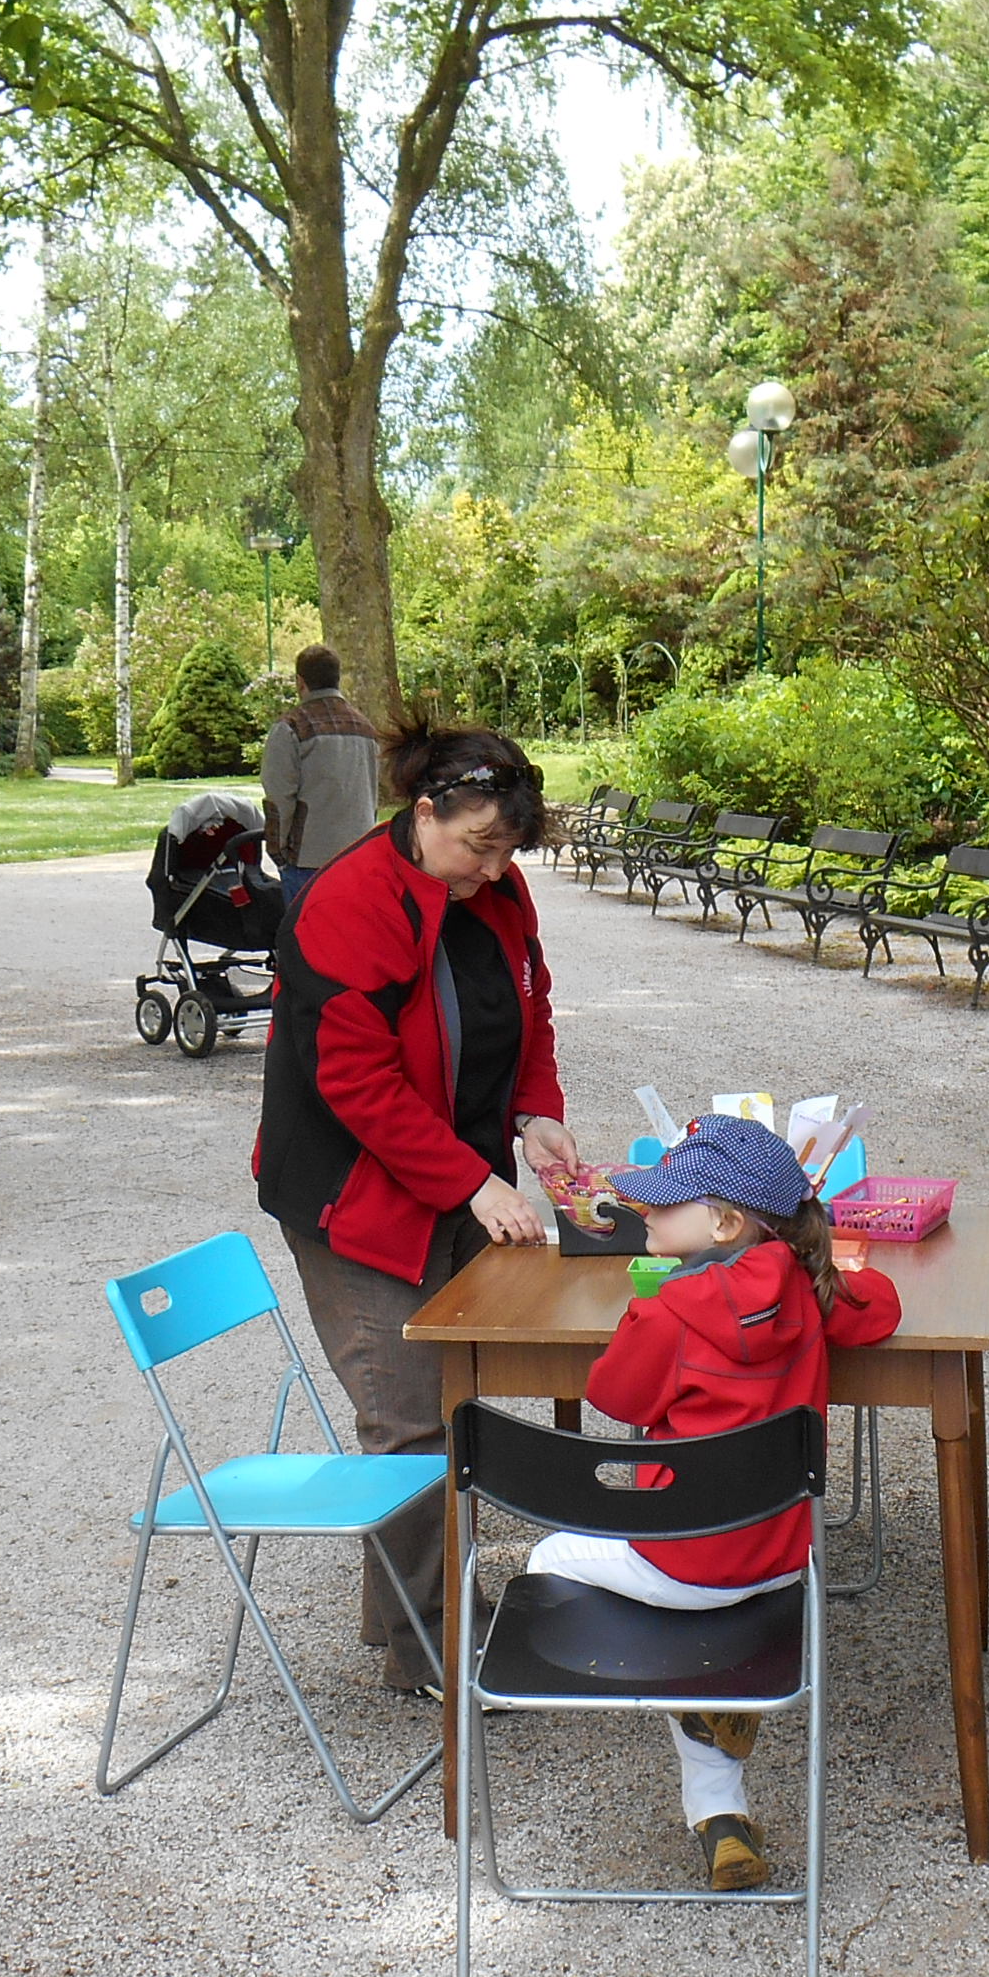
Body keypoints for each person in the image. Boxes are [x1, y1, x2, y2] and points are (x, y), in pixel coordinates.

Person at [255, 716, 578, 1694]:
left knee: (453, 1399)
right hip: (354, 1199)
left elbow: (528, 1007)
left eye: (508, 852)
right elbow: (357, 1085)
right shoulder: (349, 902)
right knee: (407, 1424)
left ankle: (411, 1616)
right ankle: (428, 1649)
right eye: (479, 847)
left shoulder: (494, 886)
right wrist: (472, 1182)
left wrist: (535, 1114)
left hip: (456, 1181)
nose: (494, 870)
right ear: (426, 810)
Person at [531, 1118, 900, 1890]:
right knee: (684, 1599)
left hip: (683, 1564)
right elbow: (882, 1307)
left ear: (726, 1224)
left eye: (668, 1202)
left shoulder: (669, 1311)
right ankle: (719, 1813)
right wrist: (829, 1266)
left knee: (546, 1558)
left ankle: (696, 1701)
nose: (648, 1209)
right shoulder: (808, 1287)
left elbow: (612, 1396)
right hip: (785, 1562)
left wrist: (643, 1316)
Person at [260, 644, 381, 879]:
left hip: (309, 858)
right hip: (359, 854)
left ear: (300, 682)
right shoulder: (366, 728)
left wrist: (278, 849)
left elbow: (279, 797)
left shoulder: (291, 727)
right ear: (337, 679)